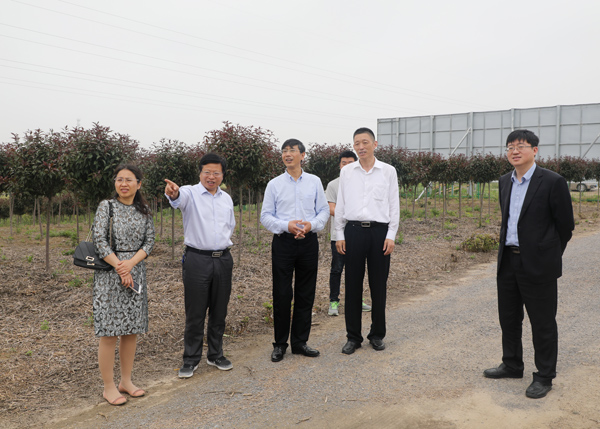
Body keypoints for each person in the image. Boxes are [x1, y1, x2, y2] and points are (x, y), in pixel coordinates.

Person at [483, 129, 574, 399]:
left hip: (539, 264)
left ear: (535, 150)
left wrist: (548, 254)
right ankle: (512, 364)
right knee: (509, 318)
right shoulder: (505, 181)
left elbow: (565, 226)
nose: (514, 151)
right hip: (508, 261)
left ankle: (544, 375)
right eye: (510, 146)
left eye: (521, 146)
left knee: (542, 322)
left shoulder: (553, 181)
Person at [164, 153, 236, 378]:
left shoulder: (226, 198)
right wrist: (173, 193)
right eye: (207, 172)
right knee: (195, 312)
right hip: (197, 259)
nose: (211, 177)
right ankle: (191, 358)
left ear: (222, 175)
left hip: (223, 259)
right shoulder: (189, 193)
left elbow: (230, 226)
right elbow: (177, 198)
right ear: (200, 173)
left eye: (216, 173)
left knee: (219, 310)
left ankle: (215, 354)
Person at [261, 139, 329, 362]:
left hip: (308, 242)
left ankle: (300, 342)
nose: (287, 154)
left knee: (305, 292)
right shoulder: (274, 184)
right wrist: (286, 225)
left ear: (303, 155)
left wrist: (311, 225)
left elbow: (323, 211)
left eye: (292, 150)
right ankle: (280, 344)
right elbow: (265, 216)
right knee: (281, 293)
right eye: (284, 151)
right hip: (284, 243)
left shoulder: (314, 181)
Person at [93, 164, 155, 406]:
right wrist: (121, 267)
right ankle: (108, 386)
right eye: (119, 179)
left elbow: (149, 242)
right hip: (110, 273)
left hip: (135, 271)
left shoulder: (144, 210)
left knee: (131, 330)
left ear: (139, 184)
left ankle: (126, 381)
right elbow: (99, 240)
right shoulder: (106, 207)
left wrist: (130, 265)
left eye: (129, 180)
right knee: (109, 332)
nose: (123, 184)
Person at [335, 127, 400, 355]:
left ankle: (377, 334)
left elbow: (394, 205)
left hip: (379, 233)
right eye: (357, 143)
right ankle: (353, 337)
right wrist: (340, 234)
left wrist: (391, 234)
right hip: (353, 231)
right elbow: (341, 204)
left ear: (375, 144)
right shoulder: (347, 172)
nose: (360, 147)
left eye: (365, 142)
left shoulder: (388, 171)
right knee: (352, 284)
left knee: (378, 284)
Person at [325, 150, 372, 316]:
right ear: (339, 165)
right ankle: (334, 301)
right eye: (343, 163)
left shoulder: (363, 182)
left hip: (359, 234)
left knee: (357, 269)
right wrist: (351, 214)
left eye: (350, 163)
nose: (346, 166)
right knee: (337, 269)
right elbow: (331, 208)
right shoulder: (333, 185)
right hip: (338, 235)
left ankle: (357, 300)